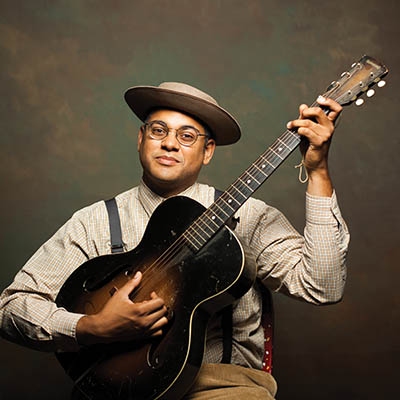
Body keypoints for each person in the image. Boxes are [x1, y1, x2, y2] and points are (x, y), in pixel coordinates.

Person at [0, 82, 349, 399]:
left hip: (222, 387)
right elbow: (10, 308)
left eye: (187, 136)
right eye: (158, 130)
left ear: (208, 150)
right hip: (110, 391)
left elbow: (323, 286)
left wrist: (317, 172)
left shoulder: (251, 217)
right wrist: (91, 327)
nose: (169, 142)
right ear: (141, 139)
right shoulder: (94, 222)